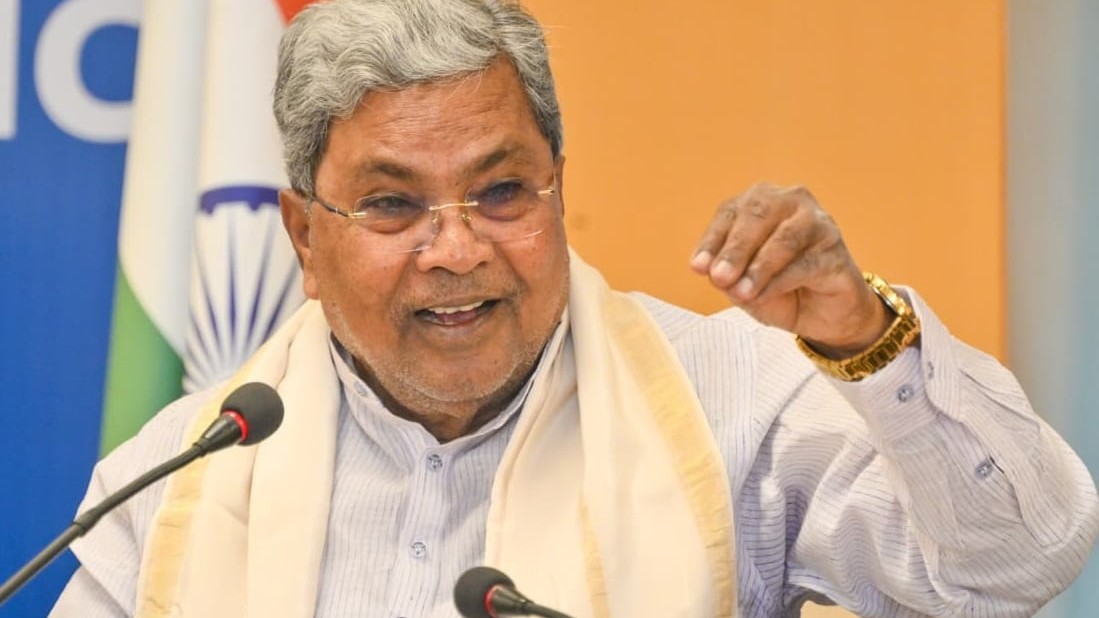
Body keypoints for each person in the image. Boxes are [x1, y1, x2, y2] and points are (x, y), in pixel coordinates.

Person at [51, 0, 1098, 616]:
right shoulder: (180, 473)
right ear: (303, 239)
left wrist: (866, 340)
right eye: (392, 205)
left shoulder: (729, 403)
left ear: (558, 187)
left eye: (502, 191)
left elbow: (1017, 565)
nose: (456, 249)